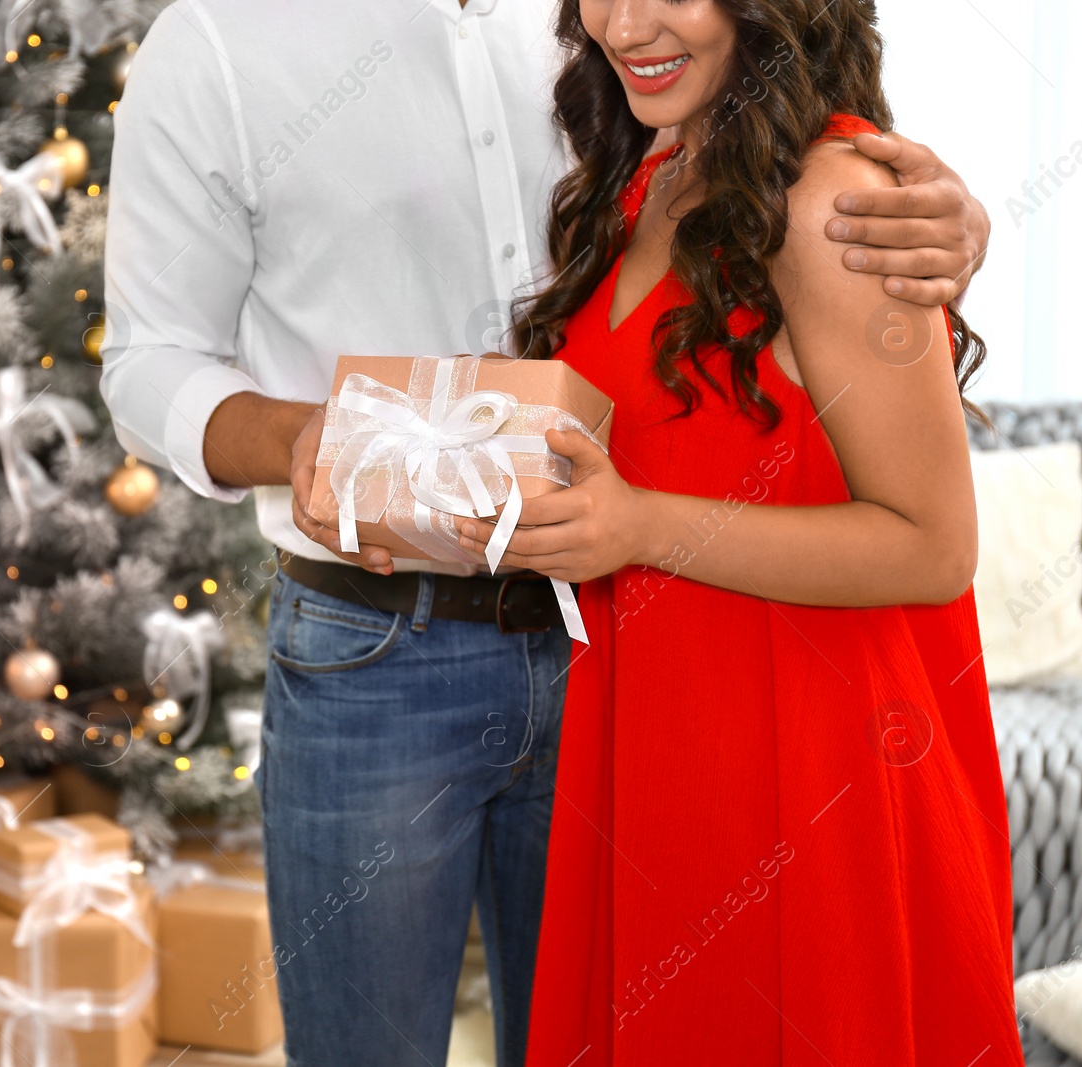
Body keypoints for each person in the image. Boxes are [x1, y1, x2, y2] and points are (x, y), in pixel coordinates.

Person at [99, 1, 993, 1063]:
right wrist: (304, 438)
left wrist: (941, 215)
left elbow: (917, 515)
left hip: (650, 673)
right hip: (398, 646)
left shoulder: (710, 123)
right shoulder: (225, 40)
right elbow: (145, 359)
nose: (627, 20)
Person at [453, 0, 1019, 1062]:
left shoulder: (834, 203)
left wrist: (639, 526)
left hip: (812, 779)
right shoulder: (633, 182)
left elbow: (932, 544)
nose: (623, 25)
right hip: (655, 760)